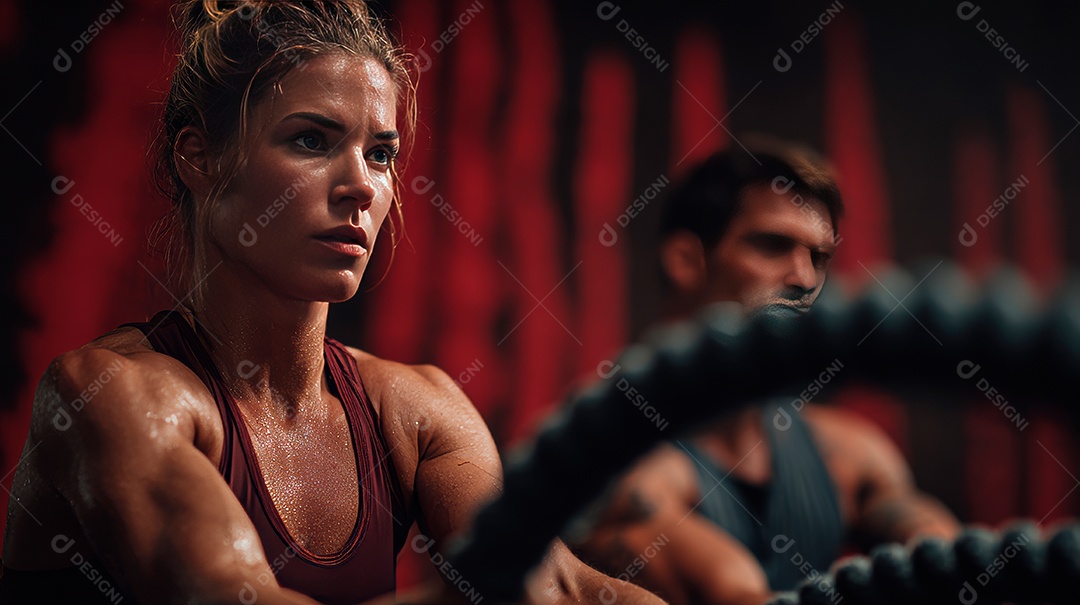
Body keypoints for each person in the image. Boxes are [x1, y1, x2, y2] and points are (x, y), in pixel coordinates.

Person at [0, 2, 662, 604]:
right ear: (199, 158)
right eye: (311, 140)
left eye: (380, 154)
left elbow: (562, 589)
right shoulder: (108, 393)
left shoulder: (416, 407)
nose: (361, 187)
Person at [571, 138, 960, 605]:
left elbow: (942, 559)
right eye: (773, 245)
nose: (805, 279)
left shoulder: (853, 457)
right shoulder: (607, 459)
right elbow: (726, 588)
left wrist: (945, 561)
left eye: (819, 257)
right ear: (686, 261)